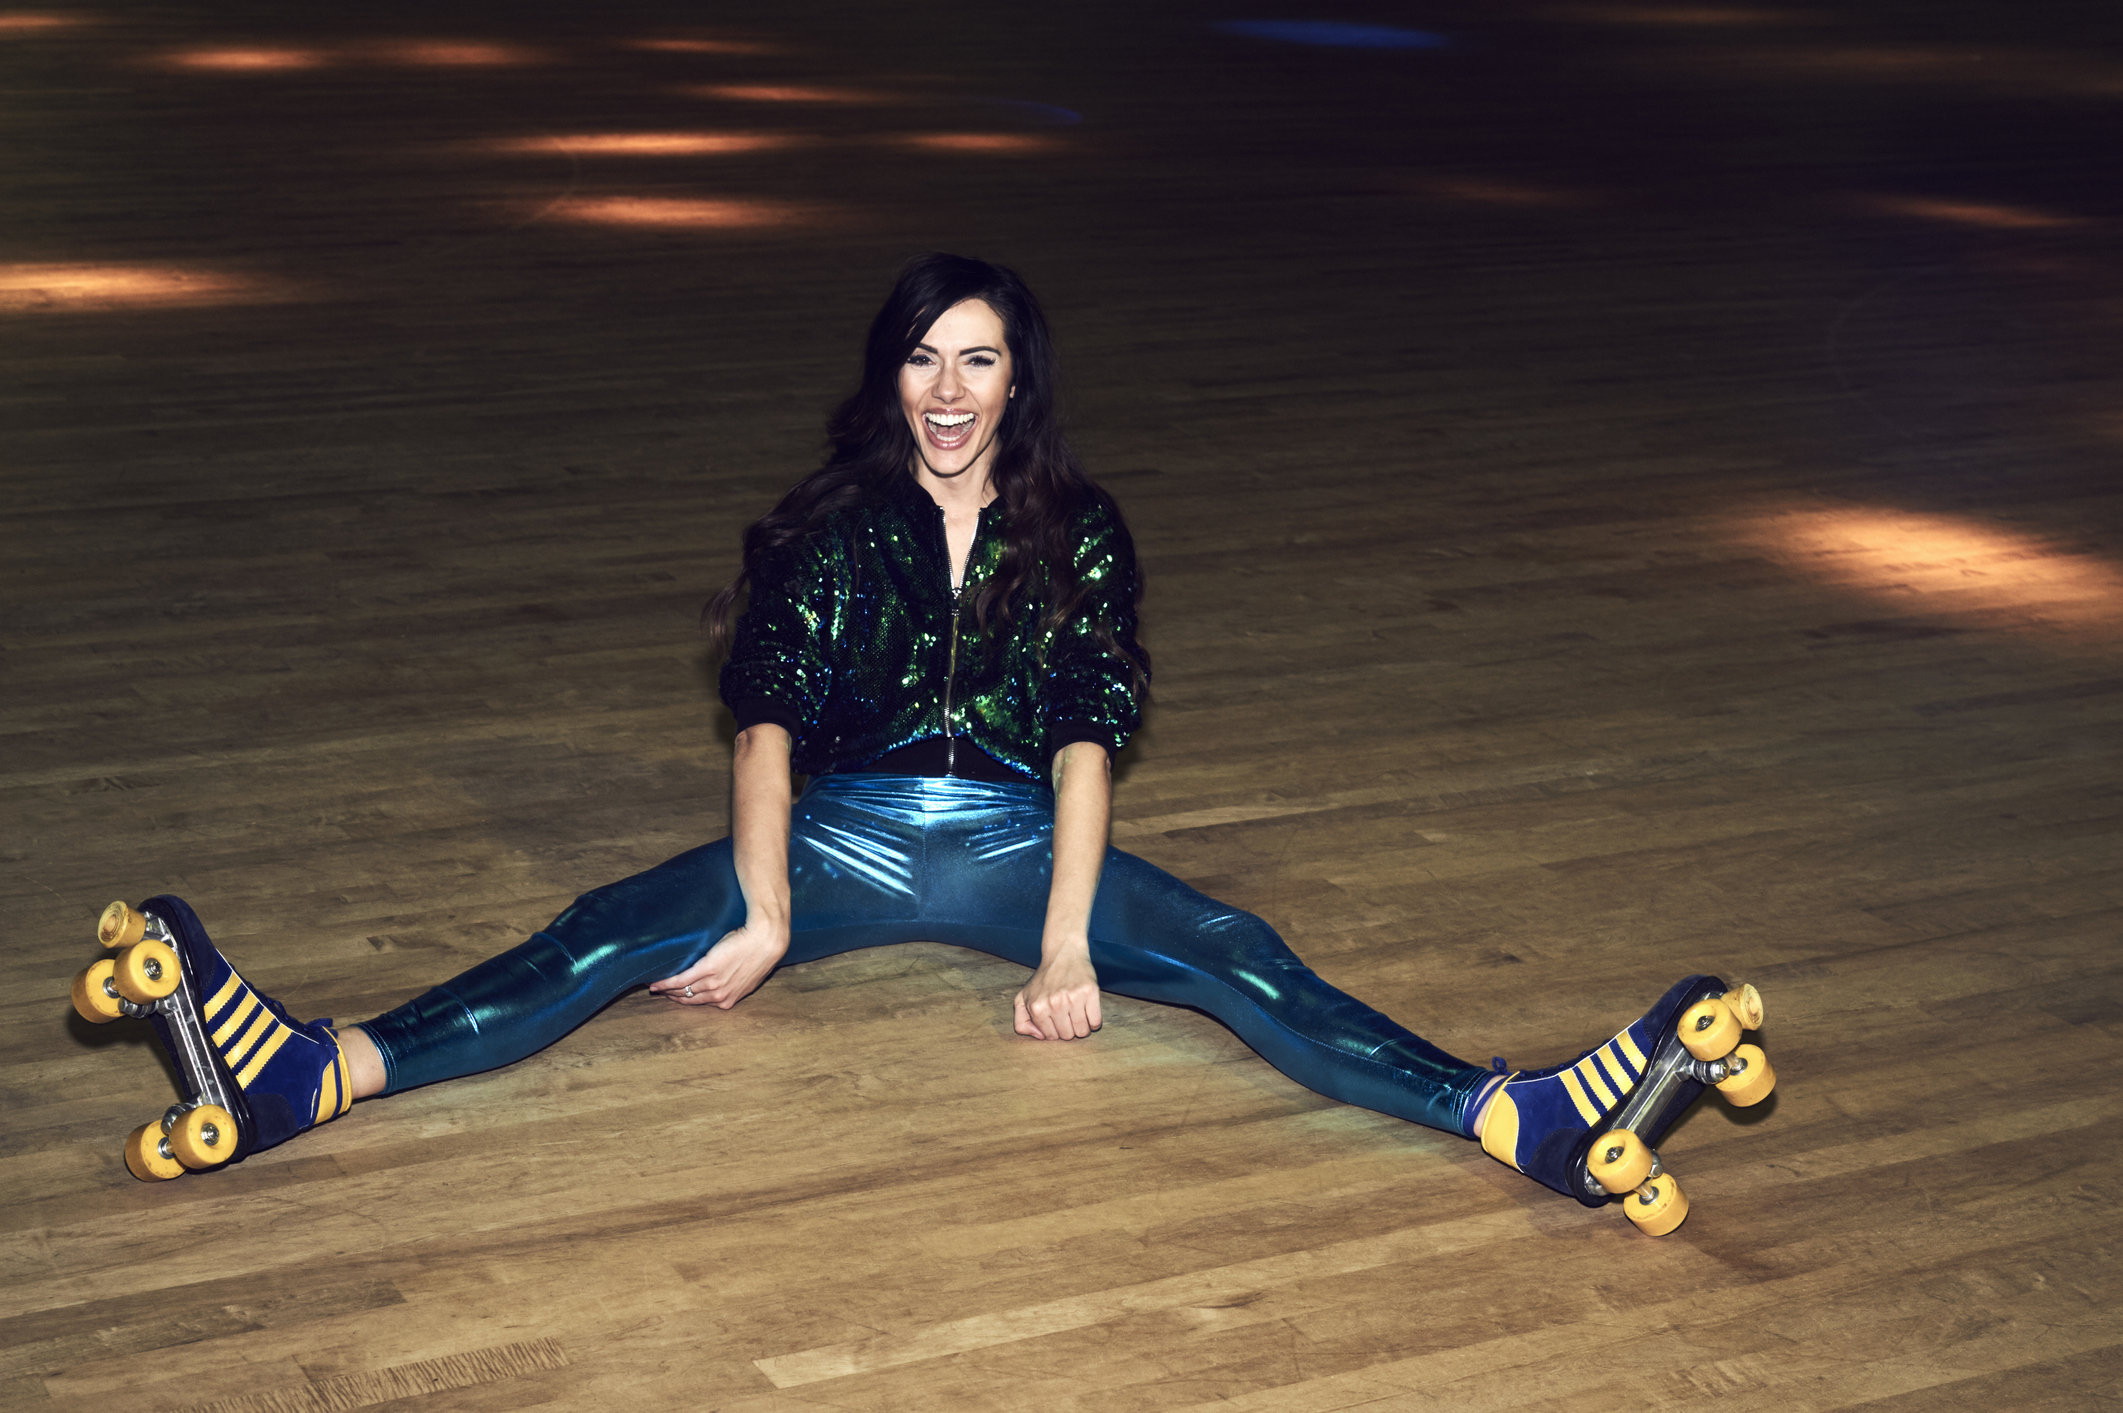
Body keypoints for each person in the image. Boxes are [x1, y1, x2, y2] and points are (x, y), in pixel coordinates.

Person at [73, 254, 1773, 1234]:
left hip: (1029, 843)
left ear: (1019, 381)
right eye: (920, 359)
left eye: (978, 362)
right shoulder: (827, 527)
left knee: (1242, 958)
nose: (946, 390)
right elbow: (767, 722)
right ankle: (314, 1070)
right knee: (601, 931)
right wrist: (761, 912)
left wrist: (1060, 948)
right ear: (888, 376)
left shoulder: (1079, 528)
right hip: (843, 837)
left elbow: (1092, 738)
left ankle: (1514, 1115)